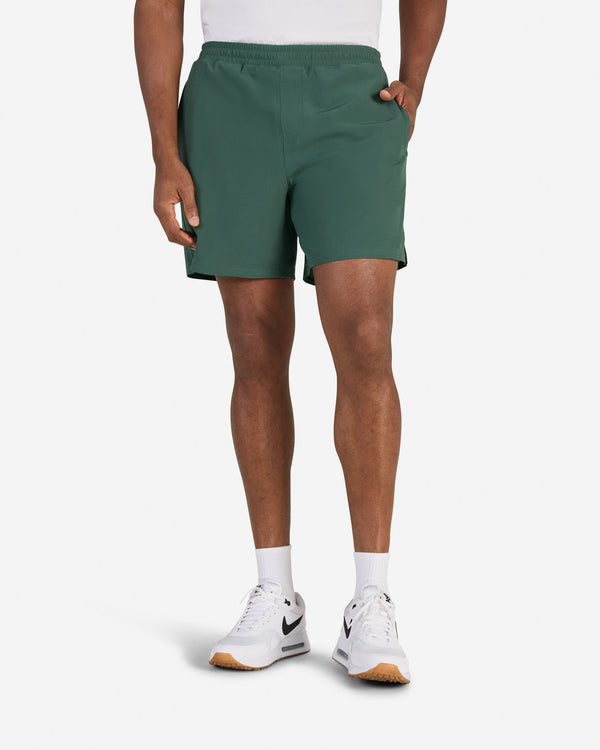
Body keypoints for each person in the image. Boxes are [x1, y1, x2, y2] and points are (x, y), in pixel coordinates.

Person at [134, 0, 446, 683]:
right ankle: (277, 596)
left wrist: (416, 79)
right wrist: (164, 152)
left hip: (353, 95)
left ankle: (372, 598)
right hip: (228, 96)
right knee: (255, 345)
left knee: (366, 337)